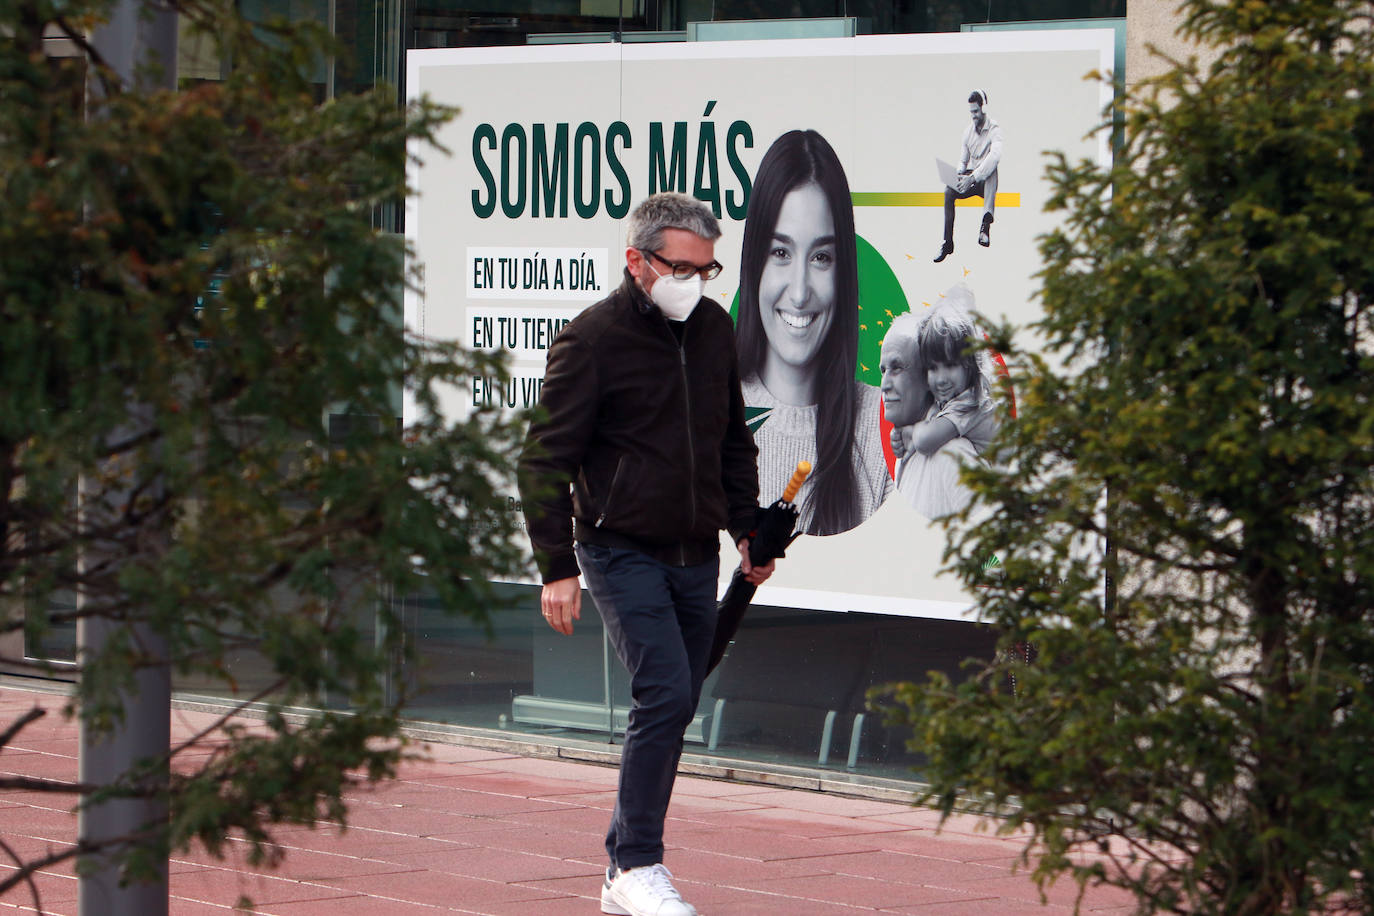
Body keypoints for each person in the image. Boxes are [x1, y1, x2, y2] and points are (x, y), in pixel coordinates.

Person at [517, 192, 774, 916]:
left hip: (696, 551)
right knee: (663, 692)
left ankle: (620, 867)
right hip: (617, 547)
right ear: (637, 261)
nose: (695, 280)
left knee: (678, 699)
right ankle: (635, 865)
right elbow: (543, 461)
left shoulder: (715, 331)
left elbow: (731, 441)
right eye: (681, 267)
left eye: (708, 267)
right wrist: (557, 568)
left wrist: (748, 530)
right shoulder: (592, 340)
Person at [735, 129, 892, 536]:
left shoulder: (886, 429)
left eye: (822, 257)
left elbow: (983, 562)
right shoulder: (696, 416)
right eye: (781, 253)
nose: (801, 292)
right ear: (753, 264)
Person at [882, 288, 999, 519]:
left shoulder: (953, 451)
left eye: (897, 368)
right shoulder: (918, 451)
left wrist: (910, 433)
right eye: (933, 368)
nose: (884, 384)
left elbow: (992, 540)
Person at [934, 89, 1004, 263]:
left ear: (984, 109)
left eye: (976, 111)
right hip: (971, 179)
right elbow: (963, 160)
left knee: (992, 171)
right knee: (948, 192)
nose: (973, 115)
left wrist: (973, 178)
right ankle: (947, 242)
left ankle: (985, 226)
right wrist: (959, 175)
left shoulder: (994, 130)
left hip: (985, 181)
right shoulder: (967, 133)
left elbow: (995, 157)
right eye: (971, 112)